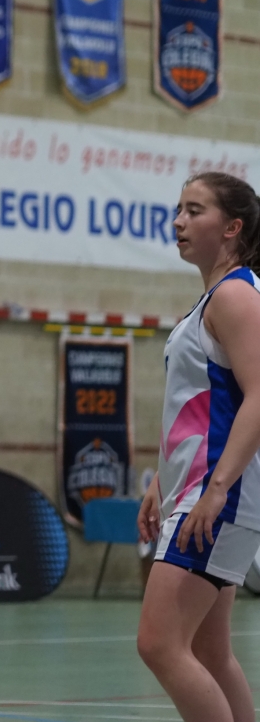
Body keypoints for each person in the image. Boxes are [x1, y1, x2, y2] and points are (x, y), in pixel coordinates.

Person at [136, 172, 260, 722]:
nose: (178, 221)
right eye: (178, 209)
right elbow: (201, 406)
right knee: (210, 651)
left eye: (194, 210)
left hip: (217, 496)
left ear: (232, 227)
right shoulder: (215, 296)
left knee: (159, 643)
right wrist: (160, 481)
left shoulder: (236, 295)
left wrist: (216, 490)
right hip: (197, 490)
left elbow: (259, 395)